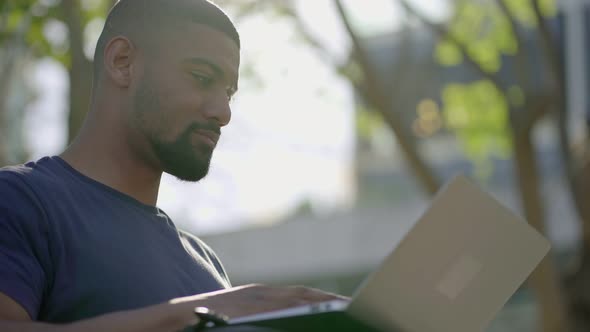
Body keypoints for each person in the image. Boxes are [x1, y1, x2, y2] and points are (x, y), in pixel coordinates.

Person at [0, 0, 344, 331]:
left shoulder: (207, 265)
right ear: (122, 62)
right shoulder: (19, 202)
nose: (223, 113)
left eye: (228, 93)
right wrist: (193, 316)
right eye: (201, 77)